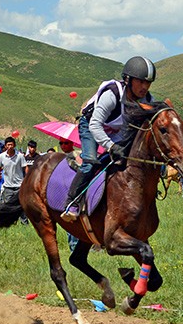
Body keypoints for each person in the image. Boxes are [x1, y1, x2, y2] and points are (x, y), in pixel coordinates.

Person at [62, 56, 156, 221]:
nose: (145, 87)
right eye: (141, 82)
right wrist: (111, 147)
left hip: (115, 130)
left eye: (148, 83)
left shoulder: (148, 100)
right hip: (91, 125)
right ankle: (72, 202)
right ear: (128, 79)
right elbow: (96, 125)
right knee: (90, 162)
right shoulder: (112, 94)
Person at [0, 136, 27, 217]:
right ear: (5, 146)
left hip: (19, 185)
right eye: (8, 145)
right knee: (8, 206)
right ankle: (10, 222)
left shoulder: (20, 156)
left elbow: (25, 167)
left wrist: (27, 180)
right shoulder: (2, 156)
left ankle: (24, 222)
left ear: (14, 145)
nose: (10, 147)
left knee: (21, 205)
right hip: (7, 186)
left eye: (11, 145)